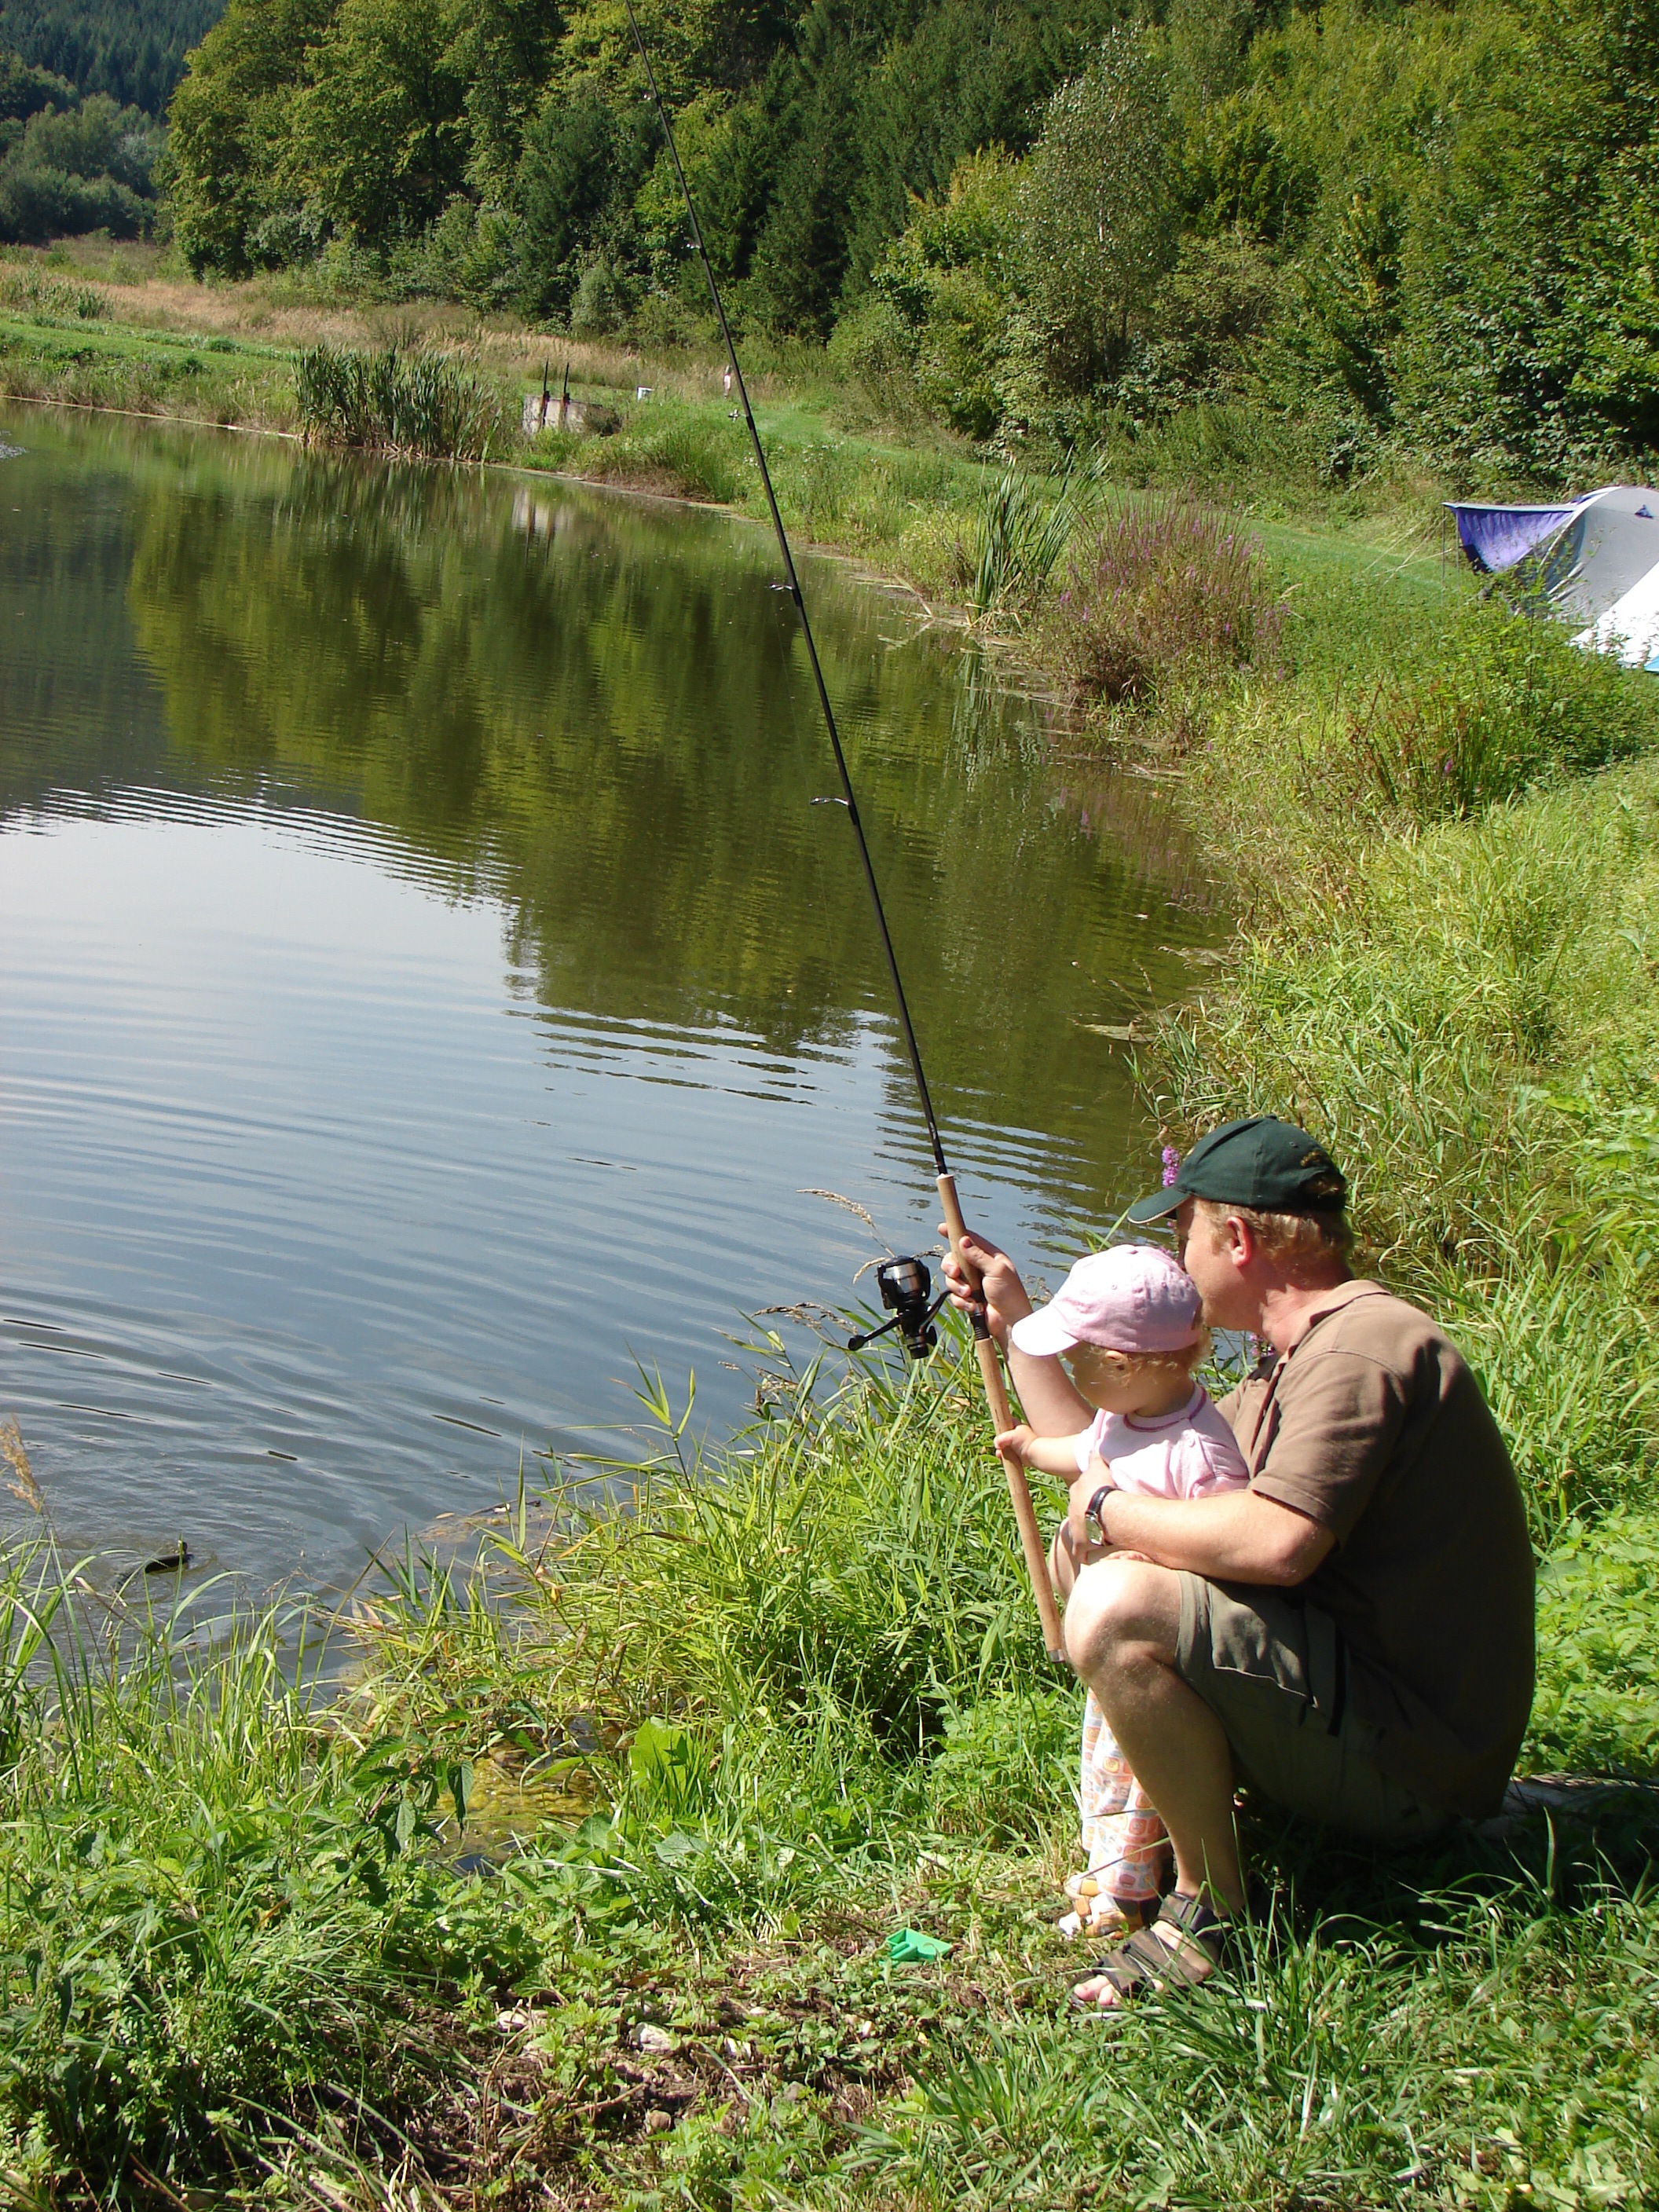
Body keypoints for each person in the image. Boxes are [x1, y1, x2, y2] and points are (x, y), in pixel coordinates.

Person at [944, 1115, 1536, 2010]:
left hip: (1414, 1771)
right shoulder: (1289, 1357)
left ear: (1239, 1236)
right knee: (1096, 1555)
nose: (1178, 1253)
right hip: (1363, 1715)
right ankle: (1180, 1842)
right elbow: (1118, 1454)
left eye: (1183, 1229)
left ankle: (1211, 1911)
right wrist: (1016, 1317)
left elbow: (1277, 1544)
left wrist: (1103, 1508)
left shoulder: (1359, 1348)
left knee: (1114, 1598)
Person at [994, 1243, 1250, 1939]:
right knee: (1112, 1761)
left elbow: (1225, 1557)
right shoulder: (1121, 1415)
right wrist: (1025, 1446)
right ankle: (1115, 1872)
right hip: (1114, 1649)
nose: (1071, 1369)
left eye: (1077, 1358)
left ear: (1122, 1365)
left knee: (1139, 1775)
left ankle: (1127, 1894)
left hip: (1159, 1660)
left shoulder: (1198, 1451)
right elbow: (1077, 1450)